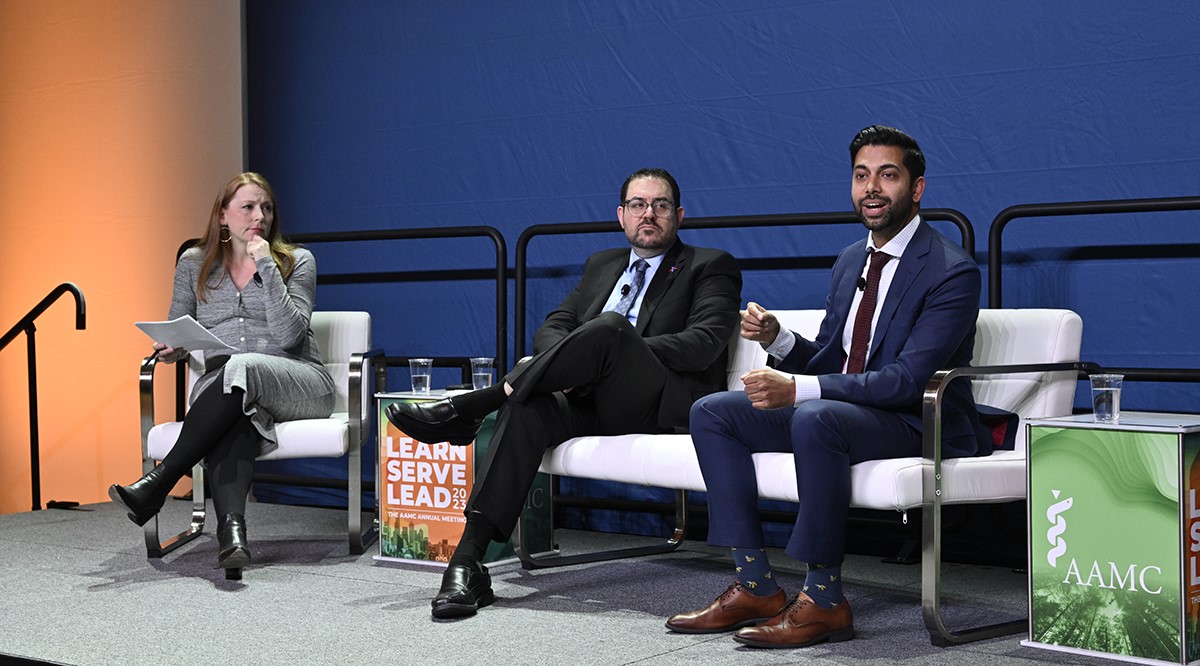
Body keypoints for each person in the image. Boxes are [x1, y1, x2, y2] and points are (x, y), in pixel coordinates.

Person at [666, 125, 996, 648]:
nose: (872, 187)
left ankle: (824, 600)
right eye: (861, 175)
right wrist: (778, 340)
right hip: (851, 413)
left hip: (918, 419)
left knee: (815, 415)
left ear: (917, 188)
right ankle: (755, 585)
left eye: (888, 175)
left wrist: (798, 391)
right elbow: (831, 360)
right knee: (714, 411)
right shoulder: (850, 261)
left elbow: (906, 380)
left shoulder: (951, 271)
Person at [386, 167, 742, 619]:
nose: (648, 214)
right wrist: (580, 362)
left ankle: (475, 406)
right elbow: (554, 327)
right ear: (621, 215)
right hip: (586, 400)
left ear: (679, 215)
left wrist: (609, 352)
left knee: (610, 330)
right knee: (527, 407)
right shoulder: (603, 265)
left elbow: (703, 343)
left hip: (652, 404)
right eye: (637, 205)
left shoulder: (710, 265)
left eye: (661, 205)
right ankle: (467, 561)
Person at [109, 172, 335, 573]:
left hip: (300, 383)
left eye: (266, 208)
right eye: (247, 207)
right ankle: (232, 533)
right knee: (236, 410)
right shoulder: (194, 262)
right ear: (222, 216)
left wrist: (265, 263)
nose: (259, 216)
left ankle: (159, 483)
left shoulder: (296, 261)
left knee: (240, 367)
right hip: (227, 392)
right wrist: (171, 349)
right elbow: (178, 327)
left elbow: (288, 335)